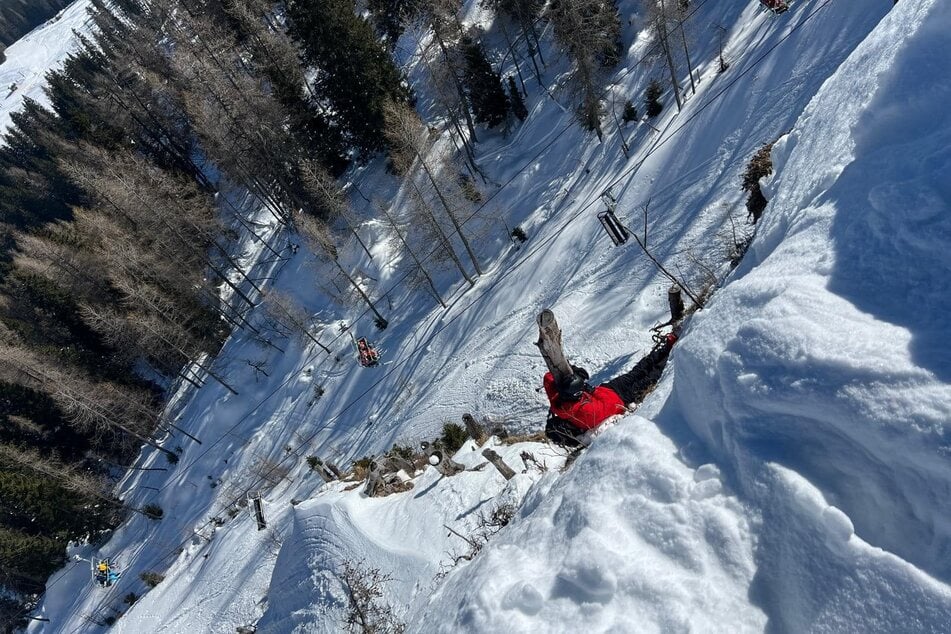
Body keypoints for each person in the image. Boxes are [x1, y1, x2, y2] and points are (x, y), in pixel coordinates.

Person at [543, 331, 678, 446]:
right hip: (621, 398)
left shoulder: (557, 400)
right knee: (649, 377)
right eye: (579, 393)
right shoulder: (583, 415)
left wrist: (573, 369)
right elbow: (609, 406)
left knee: (639, 371)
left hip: (611, 389)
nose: (580, 394)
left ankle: (665, 348)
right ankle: (670, 354)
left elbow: (548, 377)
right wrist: (592, 390)